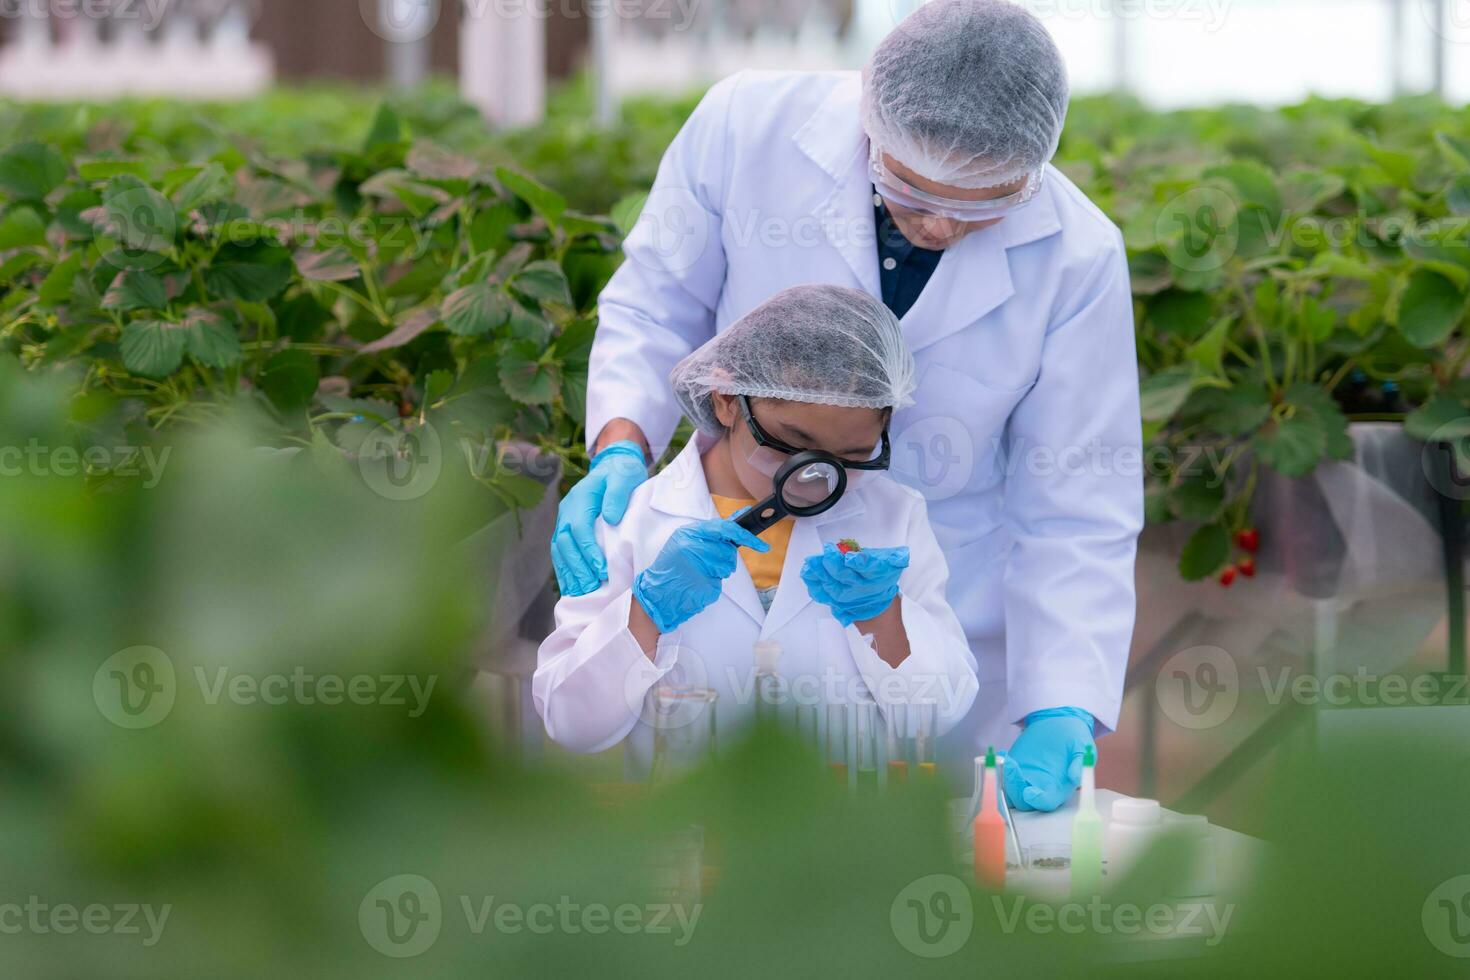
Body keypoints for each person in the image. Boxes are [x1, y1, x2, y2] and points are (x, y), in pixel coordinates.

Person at [551, 0, 1143, 810]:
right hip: (732, 571)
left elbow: (1079, 502)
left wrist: (1062, 702)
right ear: (870, 116)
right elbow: (654, 307)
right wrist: (620, 447)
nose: (937, 224)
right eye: (911, 188)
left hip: (942, 608)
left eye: (977, 208)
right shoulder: (745, 130)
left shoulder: (1078, 256)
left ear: (1028, 173)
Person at [533, 286, 979, 765]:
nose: (816, 479)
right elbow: (570, 723)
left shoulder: (894, 517)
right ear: (727, 400)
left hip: (846, 824)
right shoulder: (638, 520)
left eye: (851, 457)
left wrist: (884, 618)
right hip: (687, 827)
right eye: (791, 444)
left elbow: (939, 715)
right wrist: (644, 614)